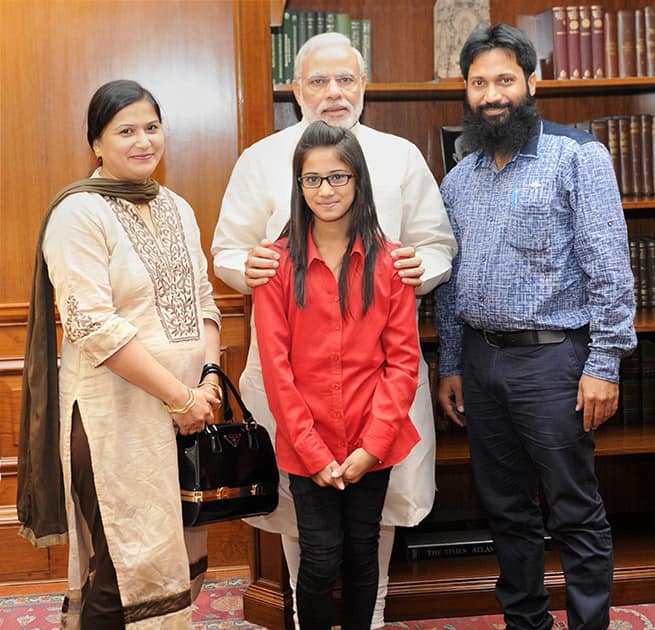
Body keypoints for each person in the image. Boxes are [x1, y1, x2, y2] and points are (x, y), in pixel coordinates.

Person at [212, 32, 456, 628]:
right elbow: (226, 252)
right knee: (305, 525)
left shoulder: (399, 156)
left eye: (346, 79)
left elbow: (438, 245)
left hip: (378, 383)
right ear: (296, 91)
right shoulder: (261, 158)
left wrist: (421, 267)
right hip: (295, 380)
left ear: (364, 85)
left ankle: (368, 618)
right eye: (318, 81)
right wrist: (251, 267)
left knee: (377, 520)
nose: (333, 92)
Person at [435, 24, 637, 630]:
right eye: (478, 83)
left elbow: (610, 267)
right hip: (479, 362)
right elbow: (449, 280)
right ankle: (526, 624)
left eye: (504, 79)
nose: (492, 94)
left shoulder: (578, 157)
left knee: (575, 510)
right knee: (506, 511)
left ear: (531, 82)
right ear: (465, 92)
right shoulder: (458, 178)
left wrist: (604, 365)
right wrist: (450, 363)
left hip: (554, 363)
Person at [17, 79, 223, 629]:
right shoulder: (79, 213)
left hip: (188, 417)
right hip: (115, 420)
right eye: (125, 130)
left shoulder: (176, 207)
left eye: (151, 128)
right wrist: (181, 397)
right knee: (123, 571)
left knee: (173, 563)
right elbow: (94, 326)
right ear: (97, 144)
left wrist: (207, 381)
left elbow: (204, 302)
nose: (142, 141)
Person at [254, 120, 420, 630]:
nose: (325, 190)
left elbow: (403, 362)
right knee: (321, 559)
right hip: (309, 445)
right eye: (312, 179)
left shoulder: (391, 263)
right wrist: (314, 452)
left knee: (363, 554)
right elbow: (276, 367)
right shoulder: (276, 266)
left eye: (338, 177)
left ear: (358, 181)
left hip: (375, 439)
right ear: (298, 186)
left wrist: (372, 445)